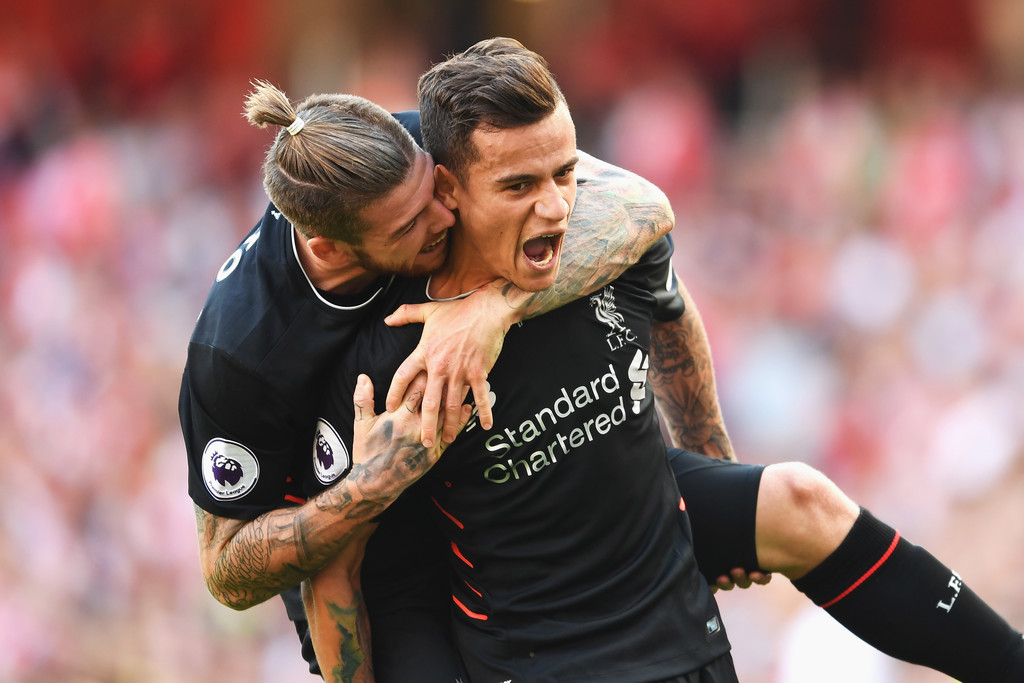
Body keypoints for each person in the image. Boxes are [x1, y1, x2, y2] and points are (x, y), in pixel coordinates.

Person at [304, 37, 1024, 683]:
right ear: (448, 192)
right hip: (542, 659)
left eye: (564, 173)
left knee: (802, 500)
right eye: (518, 186)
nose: (555, 208)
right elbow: (336, 573)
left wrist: (715, 464)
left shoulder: (610, 246)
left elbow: (673, 320)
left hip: (677, 628)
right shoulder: (387, 353)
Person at [178, 79, 676, 678]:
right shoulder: (238, 355)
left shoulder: (415, 147)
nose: (446, 212)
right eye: (412, 223)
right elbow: (227, 572)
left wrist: (492, 310)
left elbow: (641, 207)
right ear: (330, 250)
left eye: (435, 189)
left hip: (483, 499)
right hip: (366, 562)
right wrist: (371, 486)